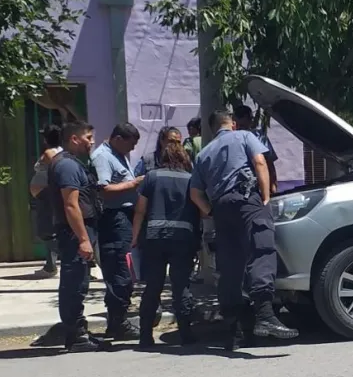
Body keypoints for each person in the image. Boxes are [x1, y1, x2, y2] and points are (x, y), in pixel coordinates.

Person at [190, 110, 298, 350]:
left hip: (221, 208)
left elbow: (194, 193)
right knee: (261, 249)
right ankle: (265, 316)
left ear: (212, 128)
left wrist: (210, 210)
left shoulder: (203, 154)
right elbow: (260, 161)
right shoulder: (244, 137)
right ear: (233, 124)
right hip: (247, 199)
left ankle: (234, 332)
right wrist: (266, 196)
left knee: (230, 265)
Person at [131, 139, 199, 348]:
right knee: (181, 287)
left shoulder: (151, 177)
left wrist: (134, 238)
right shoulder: (190, 179)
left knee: (153, 287)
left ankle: (145, 336)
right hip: (183, 240)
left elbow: (140, 210)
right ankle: (186, 335)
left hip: (154, 238)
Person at [48, 121, 105, 352]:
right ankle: (75, 335)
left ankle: (78, 331)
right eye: (88, 137)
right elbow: (71, 205)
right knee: (74, 283)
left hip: (78, 232)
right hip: (73, 234)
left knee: (79, 281)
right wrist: (82, 238)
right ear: (74, 139)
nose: (92, 142)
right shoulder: (67, 166)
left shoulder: (72, 163)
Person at [91, 123, 143, 340]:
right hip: (114, 220)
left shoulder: (118, 155)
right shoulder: (103, 156)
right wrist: (134, 184)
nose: (132, 149)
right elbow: (103, 190)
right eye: (131, 144)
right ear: (119, 139)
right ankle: (117, 323)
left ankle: (118, 321)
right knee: (119, 272)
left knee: (125, 271)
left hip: (125, 219)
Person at [29, 124, 63, 278]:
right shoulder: (60, 152)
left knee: (47, 229)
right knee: (48, 229)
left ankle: (50, 267)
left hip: (47, 195)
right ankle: (50, 265)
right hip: (46, 195)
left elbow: (56, 171)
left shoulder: (50, 153)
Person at [234, 105, 279, 194]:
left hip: (255, 185)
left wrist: (273, 185)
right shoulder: (257, 136)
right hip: (244, 186)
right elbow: (268, 162)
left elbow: (269, 161)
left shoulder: (259, 136)